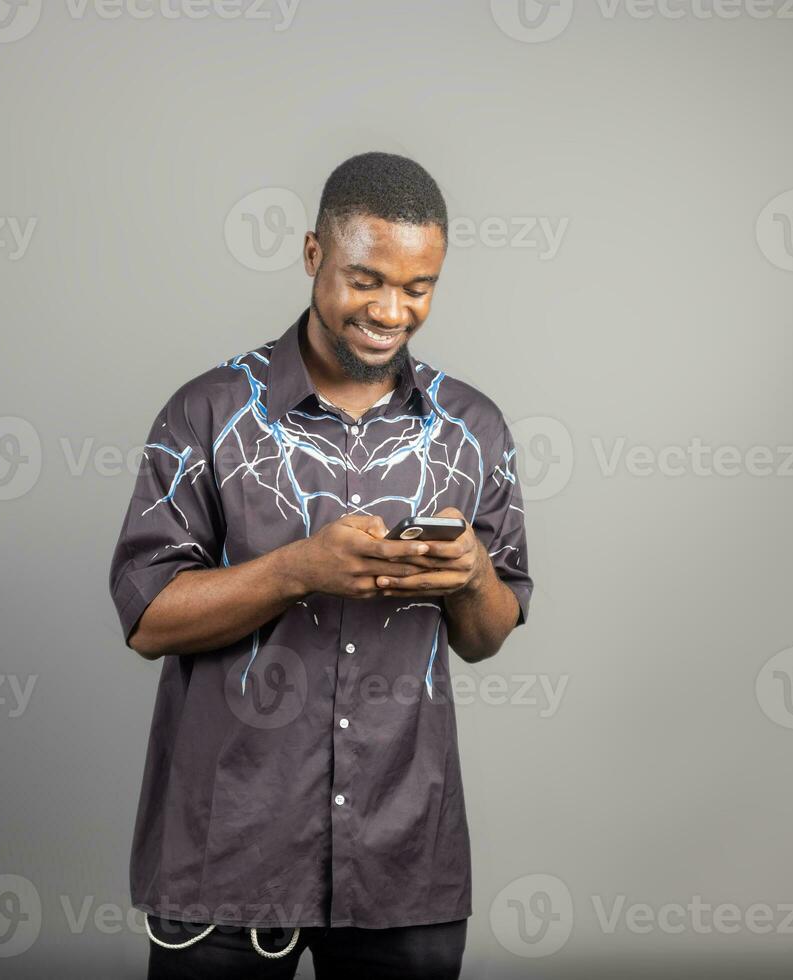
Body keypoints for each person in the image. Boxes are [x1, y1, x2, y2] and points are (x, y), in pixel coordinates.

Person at [107, 151, 534, 980]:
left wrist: (473, 575)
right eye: (366, 279)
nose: (391, 310)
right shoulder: (206, 413)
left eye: (419, 288)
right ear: (313, 257)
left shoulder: (471, 428)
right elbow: (146, 618)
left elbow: (488, 635)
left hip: (406, 860)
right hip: (223, 857)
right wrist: (298, 569)